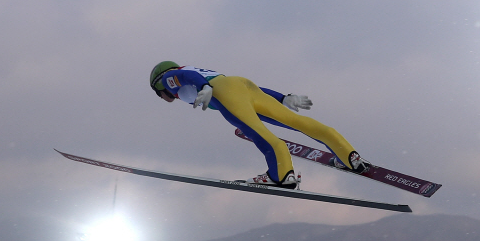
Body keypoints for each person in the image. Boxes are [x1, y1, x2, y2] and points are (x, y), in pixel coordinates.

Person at [149, 61, 370, 189]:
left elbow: (185, 75)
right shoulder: (198, 70)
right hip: (242, 84)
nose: (162, 97)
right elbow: (238, 86)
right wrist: (282, 98)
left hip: (224, 91)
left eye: (158, 94)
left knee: (258, 133)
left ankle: (281, 175)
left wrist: (205, 88)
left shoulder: (167, 78)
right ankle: (349, 157)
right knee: (298, 122)